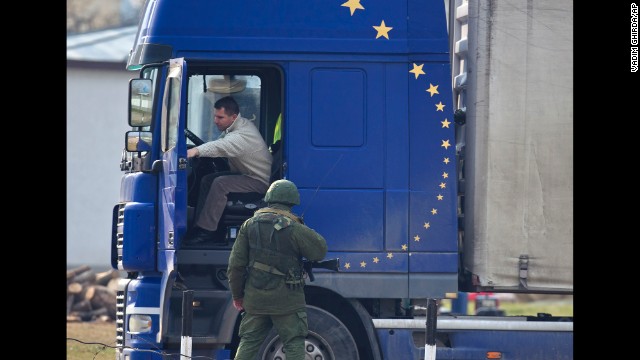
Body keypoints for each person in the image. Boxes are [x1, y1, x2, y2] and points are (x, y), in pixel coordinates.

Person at [227, 180, 328, 360]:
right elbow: (319, 250)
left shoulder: (249, 225)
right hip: (287, 301)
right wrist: (301, 226)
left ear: (269, 198)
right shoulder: (293, 227)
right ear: (292, 201)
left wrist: (237, 296)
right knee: (293, 341)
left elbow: (235, 266)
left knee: (249, 341)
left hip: (255, 298)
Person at [184, 96, 272, 245]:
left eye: (220, 117)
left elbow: (220, 146)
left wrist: (194, 152)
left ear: (233, 117)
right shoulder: (237, 126)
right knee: (208, 180)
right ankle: (200, 226)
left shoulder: (241, 135)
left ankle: (208, 232)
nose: (215, 121)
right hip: (245, 174)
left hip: (259, 181)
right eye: (215, 116)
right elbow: (220, 143)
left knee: (221, 183)